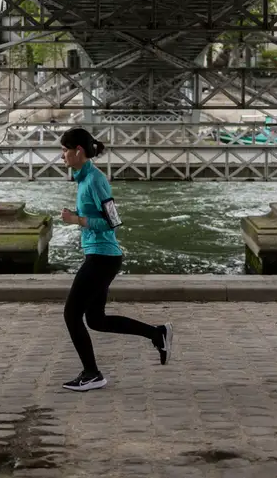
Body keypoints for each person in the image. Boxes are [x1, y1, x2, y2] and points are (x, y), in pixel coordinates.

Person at [57, 127, 173, 392]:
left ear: (79, 151)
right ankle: (158, 334)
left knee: (71, 314)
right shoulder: (82, 178)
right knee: (96, 320)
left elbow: (112, 222)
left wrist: (76, 219)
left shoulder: (96, 180)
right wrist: (77, 214)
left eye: (65, 150)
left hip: (103, 257)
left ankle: (92, 373)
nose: (61, 155)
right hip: (98, 255)